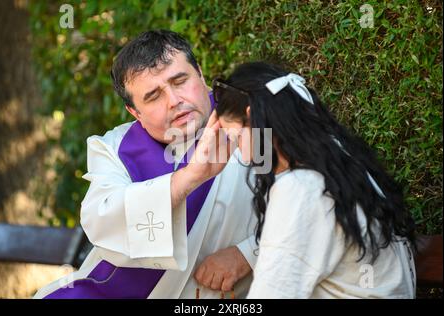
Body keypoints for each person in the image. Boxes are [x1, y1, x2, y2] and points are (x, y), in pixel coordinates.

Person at [33, 30, 258, 299]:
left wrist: (249, 254)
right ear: (134, 112)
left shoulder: (254, 116)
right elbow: (102, 221)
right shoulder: (115, 149)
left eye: (180, 80)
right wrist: (189, 178)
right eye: (153, 96)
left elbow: (315, 198)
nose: (174, 101)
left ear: (200, 73)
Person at [213, 61, 417, 298]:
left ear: (253, 118)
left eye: (235, 138)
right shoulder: (340, 159)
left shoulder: (300, 190)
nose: (244, 156)